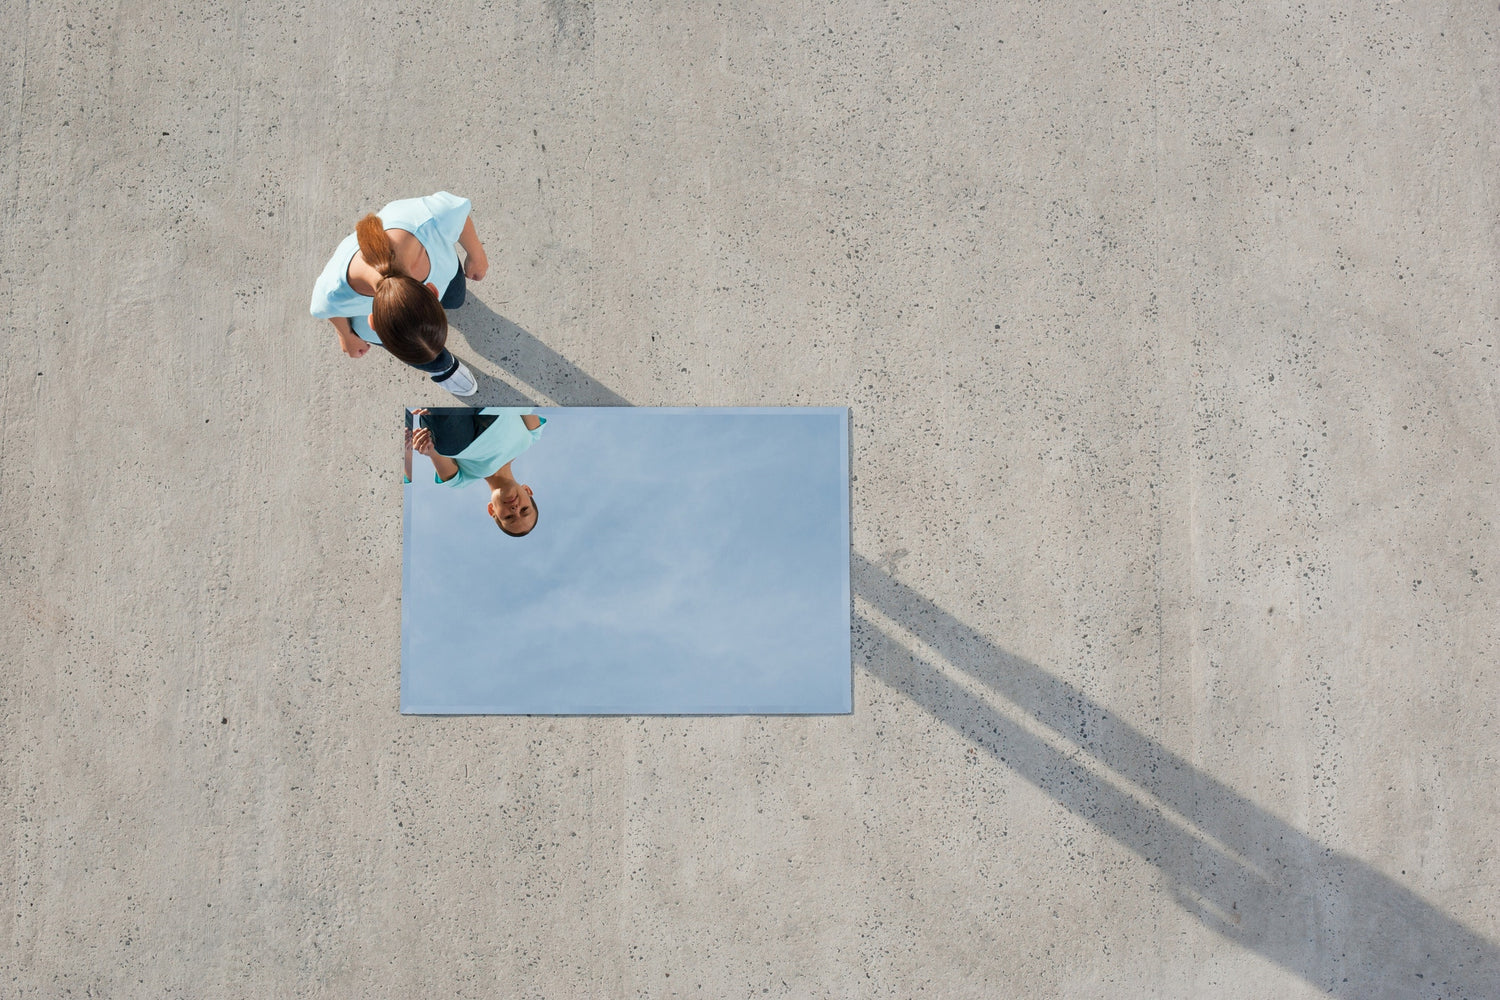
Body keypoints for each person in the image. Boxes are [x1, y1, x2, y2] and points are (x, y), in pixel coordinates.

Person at [310, 192, 488, 396]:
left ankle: (434, 359)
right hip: (444, 273)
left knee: (455, 299)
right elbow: (324, 308)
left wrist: (477, 255)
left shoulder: (432, 218)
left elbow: (457, 213)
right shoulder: (333, 289)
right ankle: (442, 367)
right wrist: (346, 335)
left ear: (373, 323)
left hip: (448, 279)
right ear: (432, 289)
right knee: (421, 348)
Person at [410, 407, 545, 536]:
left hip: (457, 432)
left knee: (447, 446)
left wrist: (425, 445)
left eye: (509, 517)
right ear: (527, 491)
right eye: (524, 509)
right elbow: (523, 407)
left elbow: (434, 449)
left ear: (492, 510)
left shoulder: (461, 480)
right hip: (494, 405)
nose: (515, 509)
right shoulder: (531, 437)